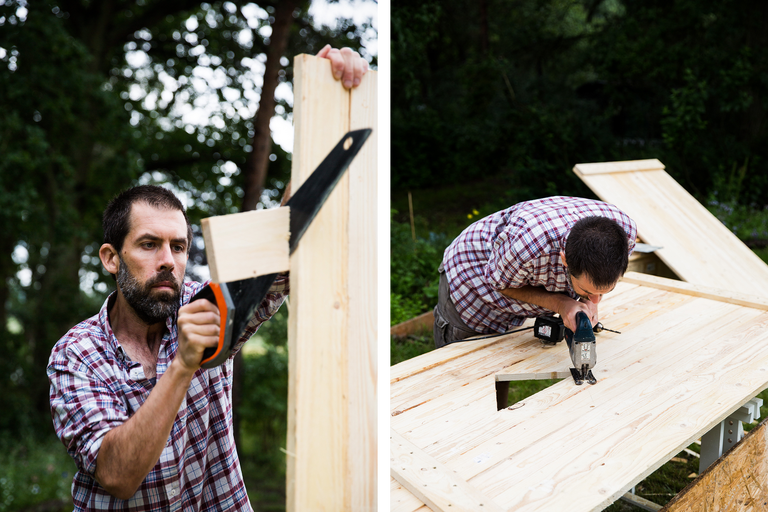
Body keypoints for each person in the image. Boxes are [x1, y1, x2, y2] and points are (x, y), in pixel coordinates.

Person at [47, 47, 368, 512]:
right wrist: (183, 365)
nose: (168, 261)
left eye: (178, 247)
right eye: (149, 244)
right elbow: (116, 475)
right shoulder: (77, 355)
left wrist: (326, 101)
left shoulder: (212, 305)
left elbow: (287, 241)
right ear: (110, 258)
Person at [433, 196, 637, 349]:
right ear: (565, 260)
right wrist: (562, 303)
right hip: (472, 279)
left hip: (516, 268)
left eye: (604, 293)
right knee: (464, 368)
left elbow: (594, 288)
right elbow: (500, 284)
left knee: (505, 361)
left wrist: (587, 300)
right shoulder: (528, 243)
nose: (597, 300)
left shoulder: (625, 233)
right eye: (587, 289)